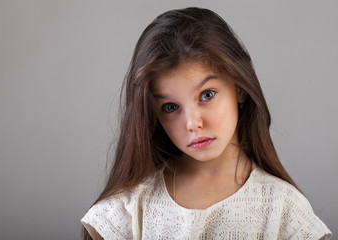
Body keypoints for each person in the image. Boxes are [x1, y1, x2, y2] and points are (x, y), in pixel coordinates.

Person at [81, 7, 332, 240]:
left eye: (207, 95)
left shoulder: (284, 212)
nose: (193, 123)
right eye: (170, 107)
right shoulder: (125, 212)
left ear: (240, 89)